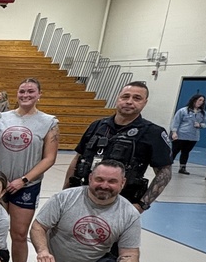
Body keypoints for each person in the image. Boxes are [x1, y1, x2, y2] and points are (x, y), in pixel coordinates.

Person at [0, 77, 59, 262]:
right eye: (22, 91)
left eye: (31, 91)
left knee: (19, 234)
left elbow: (50, 158)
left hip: (26, 187)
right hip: (0, 186)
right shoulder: (1, 117)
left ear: (39, 94)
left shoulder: (49, 122)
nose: (26, 95)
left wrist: (23, 180)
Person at [32, 160, 150, 262]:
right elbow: (38, 227)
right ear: (90, 178)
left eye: (112, 181)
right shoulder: (63, 198)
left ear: (122, 183)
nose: (104, 186)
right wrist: (43, 251)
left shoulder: (130, 214)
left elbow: (129, 253)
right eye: (99, 179)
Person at [65, 81, 172, 212]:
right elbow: (77, 159)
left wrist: (141, 205)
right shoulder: (97, 126)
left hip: (122, 204)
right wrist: (66, 192)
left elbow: (164, 173)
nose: (129, 101)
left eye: (137, 98)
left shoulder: (153, 133)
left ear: (145, 102)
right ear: (118, 98)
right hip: (83, 198)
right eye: (125, 96)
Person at [169, 93, 206, 175]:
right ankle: (167, 166)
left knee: (186, 152)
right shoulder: (183, 111)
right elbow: (176, 122)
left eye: (203, 101)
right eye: (199, 100)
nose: (201, 102)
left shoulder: (202, 113)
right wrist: (174, 132)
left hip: (193, 137)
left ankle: (182, 167)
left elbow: (205, 124)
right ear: (194, 100)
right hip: (181, 135)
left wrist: (200, 125)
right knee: (174, 151)